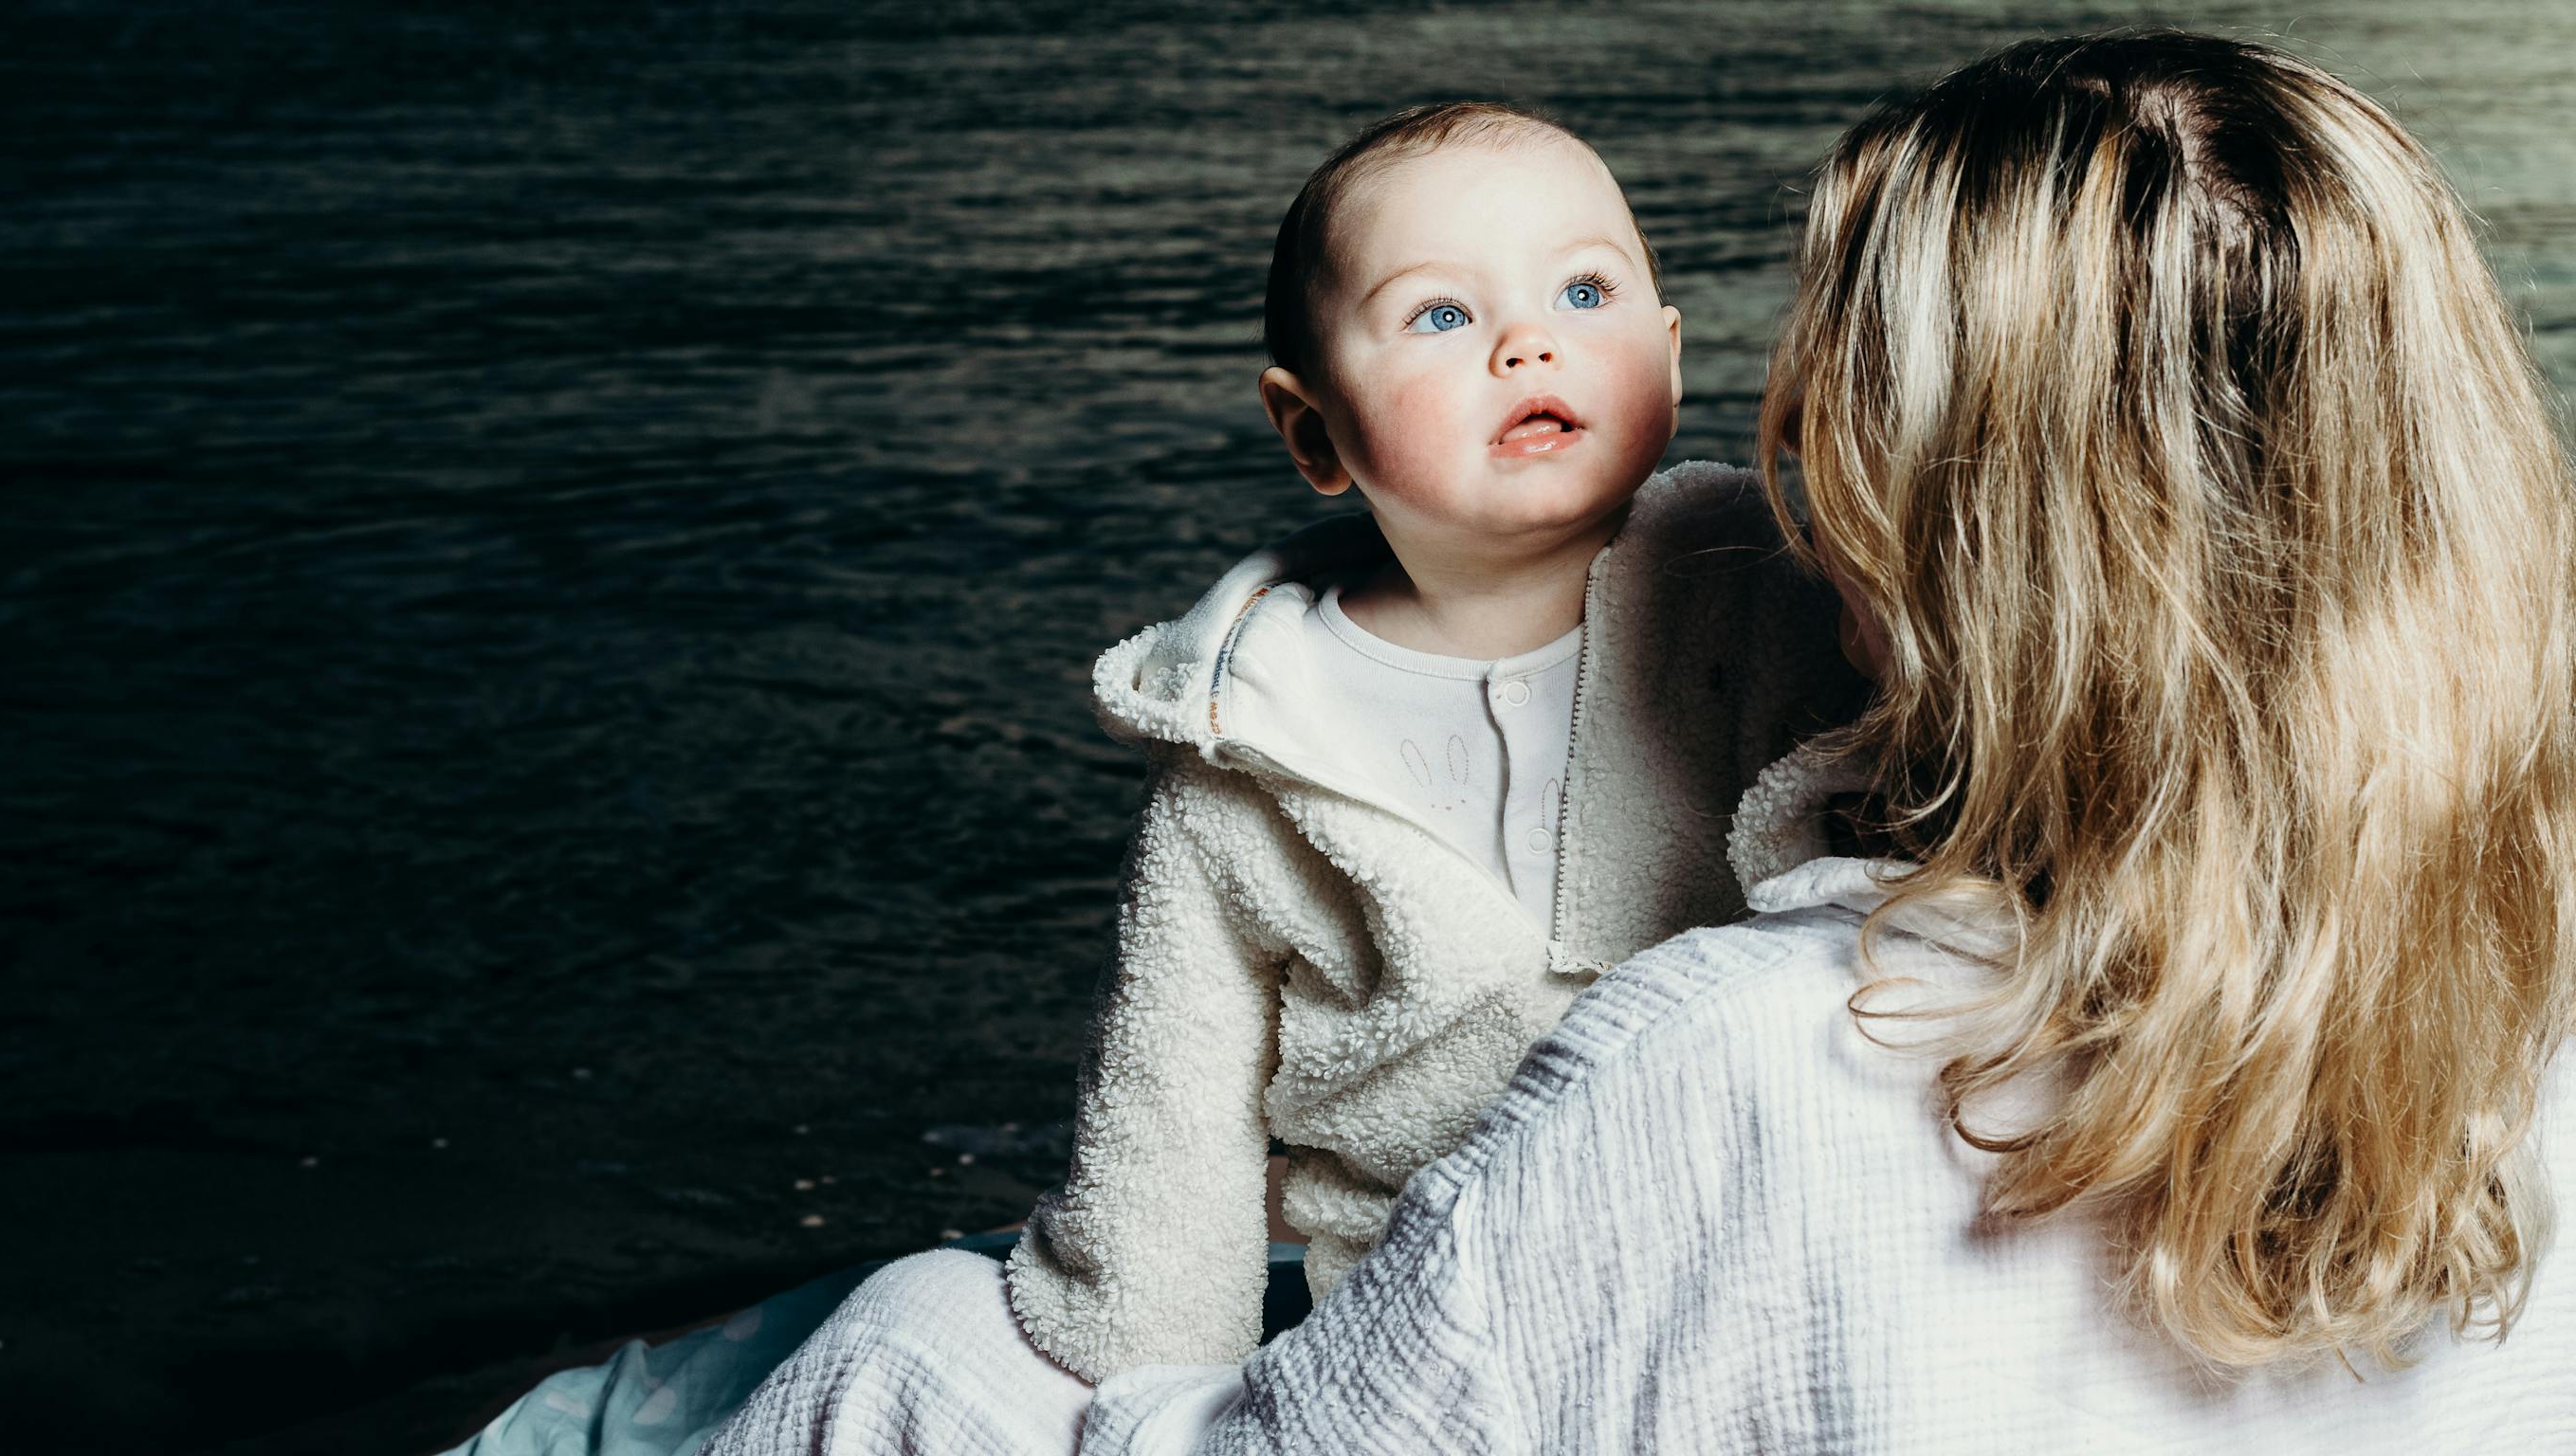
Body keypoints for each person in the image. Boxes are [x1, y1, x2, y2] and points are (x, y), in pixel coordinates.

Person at [701, 30, 2576, 1453]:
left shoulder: (1728, 1074)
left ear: (1916, 531)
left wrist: (908, 1348)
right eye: (1448, 316)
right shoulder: (2529, 952)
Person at [1003, 100, 1862, 1382]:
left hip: (1748, 1254)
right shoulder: (1254, 729)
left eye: (1584, 290)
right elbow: (1170, 1109)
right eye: (1443, 317)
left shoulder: (1781, 610)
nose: (1528, 344)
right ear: (1315, 434)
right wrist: (1141, 1365)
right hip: (1421, 1311)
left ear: (1672, 362)